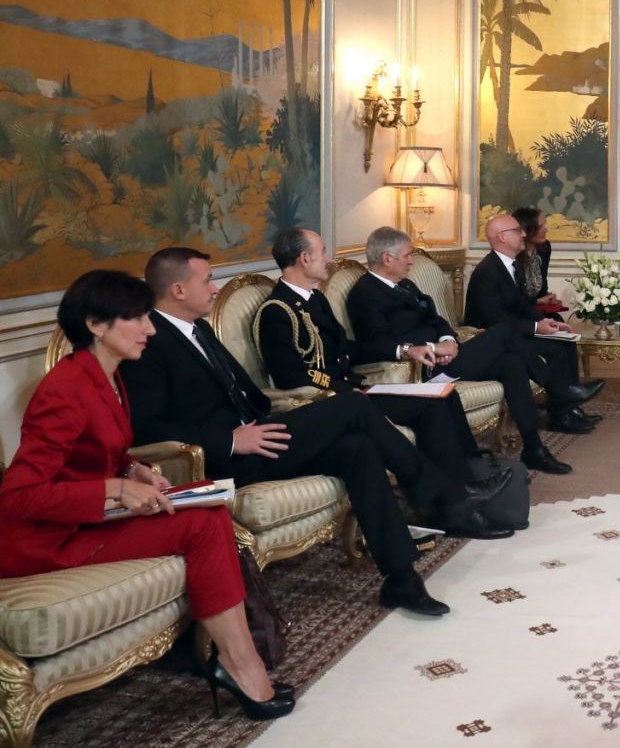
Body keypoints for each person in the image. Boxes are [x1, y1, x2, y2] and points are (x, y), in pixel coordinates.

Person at [122, 248, 502, 617]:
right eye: (207, 281)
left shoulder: (199, 329)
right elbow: (146, 427)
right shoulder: (148, 343)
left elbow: (252, 395)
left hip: (260, 434)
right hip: (222, 460)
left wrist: (281, 417)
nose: (215, 288)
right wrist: (233, 440)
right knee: (353, 406)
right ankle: (446, 494)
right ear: (178, 290)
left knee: (358, 448)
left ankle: (402, 579)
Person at [0, 271, 294, 720]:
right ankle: (239, 664)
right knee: (200, 526)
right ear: (96, 325)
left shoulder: (108, 377)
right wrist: (115, 488)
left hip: (88, 519)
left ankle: (237, 660)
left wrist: (132, 468)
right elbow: (18, 497)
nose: (150, 329)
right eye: (136, 318)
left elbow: (100, 450)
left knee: (209, 510)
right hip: (47, 540)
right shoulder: (63, 390)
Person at [255, 228, 516, 503]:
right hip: (332, 400)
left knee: (441, 397)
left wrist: (406, 350)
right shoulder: (277, 311)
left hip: (353, 389)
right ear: (304, 259)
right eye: (323, 252)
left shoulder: (315, 299)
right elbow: (292, 376)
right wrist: (344, 391)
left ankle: (468, 481)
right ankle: (453, 497)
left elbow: (348, 350)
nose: (329, 259)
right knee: (431, 405)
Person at [346, 227, 599, 474]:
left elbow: (437, 320)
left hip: (448, 356)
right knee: (503, 332)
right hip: (425, 370)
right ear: (387, 259)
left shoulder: (406, 285)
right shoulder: (365, 294)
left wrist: (448, 339)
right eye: (407, 255)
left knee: (511, 363)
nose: (411, 261)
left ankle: (534, 448)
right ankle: (558, 389)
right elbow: (377, 343)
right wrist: (433, 348)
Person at [462, 214, 601, 435]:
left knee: (564, 340)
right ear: (502, 237)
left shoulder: (511, 265)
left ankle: (568, 406)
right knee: (554, 348)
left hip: (512, 331)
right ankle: (562, 407)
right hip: (490, 338)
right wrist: (536, 328)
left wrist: (543, 321)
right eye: (517, 231)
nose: (523, 234)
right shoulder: (487, 272)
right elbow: (495, 320)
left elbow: (522, 305)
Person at [511, 206, 559, 315]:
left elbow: (542, 285)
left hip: (538, 310)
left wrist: (549, 298)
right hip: (518, 313)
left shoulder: (545, 248)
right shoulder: (512, 253)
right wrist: (538, 301)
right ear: (526, 229)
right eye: (540, 226)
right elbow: (511, 299)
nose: (546, 229)